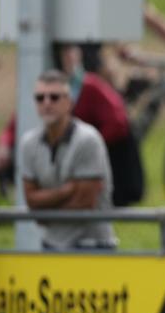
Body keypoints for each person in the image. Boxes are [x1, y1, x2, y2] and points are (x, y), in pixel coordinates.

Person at [19, 70, 117, 251]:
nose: (47, 103)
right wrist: (66, 190)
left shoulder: (88, 140)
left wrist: (45, 207)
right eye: (40, 98)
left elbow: (84, 203)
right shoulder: (28, 143)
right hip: (51, 245)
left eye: (54, 97)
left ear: (69, 102)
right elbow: (30, 200)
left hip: (93, 245)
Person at [58, 44, 143, 206]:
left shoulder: (90, 86)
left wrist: (90, 145)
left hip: (107, 162)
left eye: (72, 53)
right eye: (65, 54)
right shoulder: (50, 91)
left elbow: (118, 122)